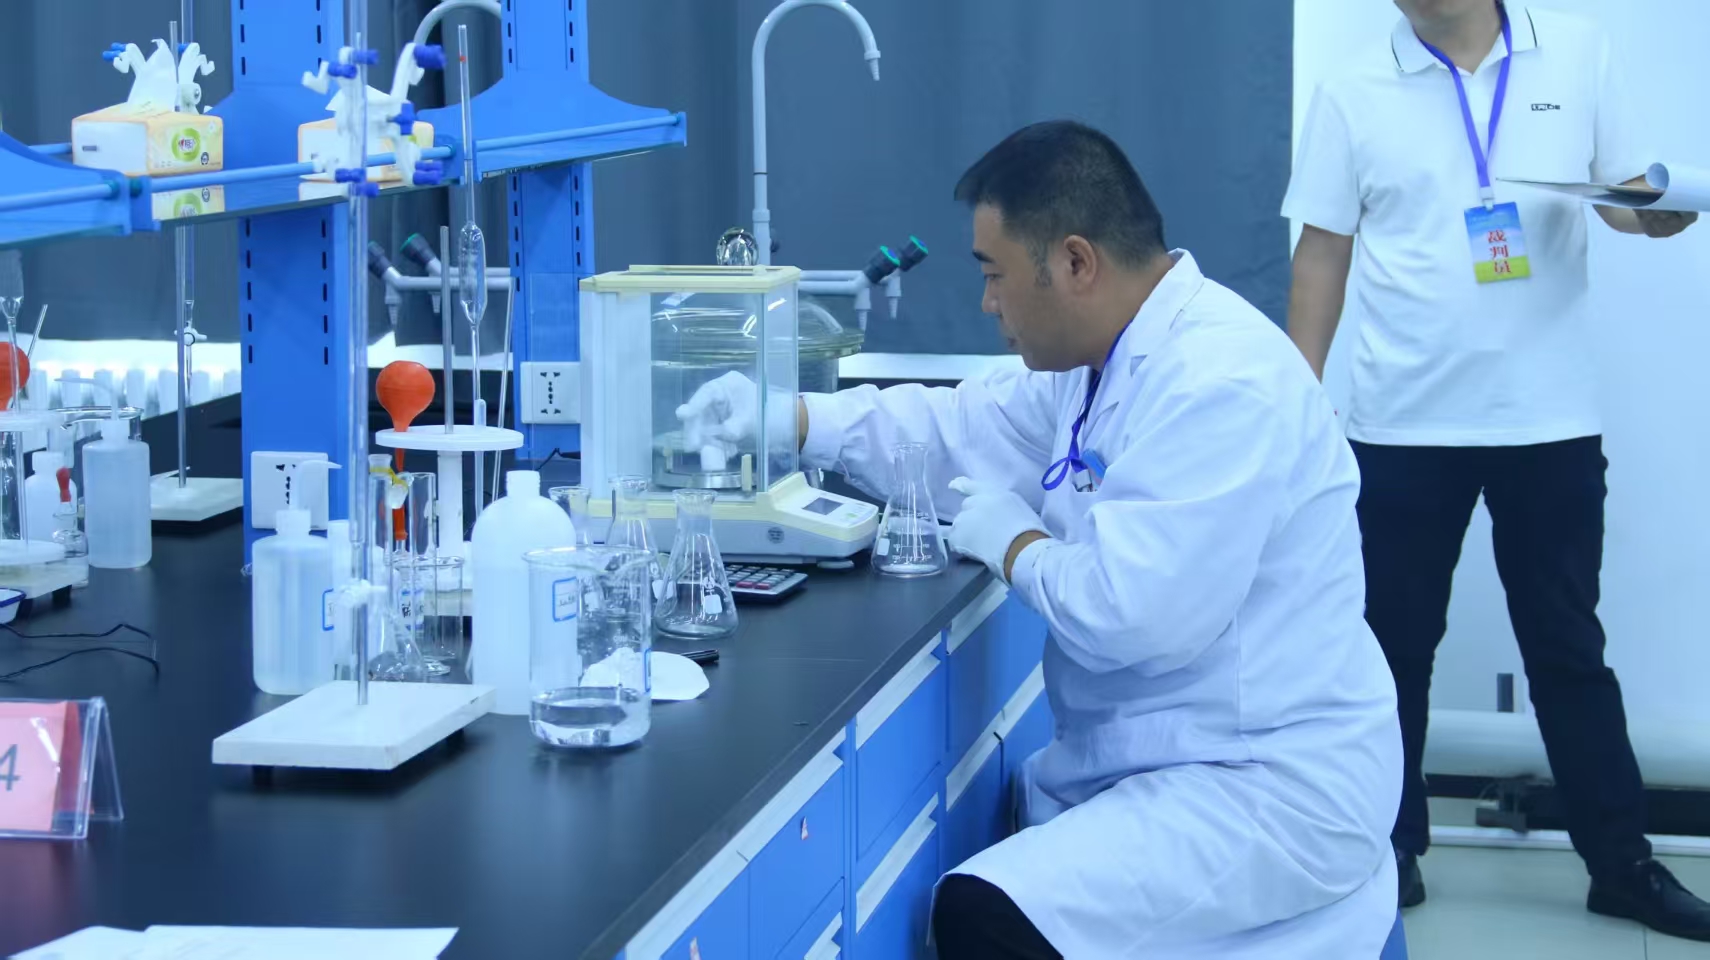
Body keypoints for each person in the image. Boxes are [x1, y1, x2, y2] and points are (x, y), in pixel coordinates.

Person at [678, 121, 1403, 958]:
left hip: (1263, 783)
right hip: (1171, 756)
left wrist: (1018, 546)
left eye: (995, 274)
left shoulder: (1221, 382)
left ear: (1075, 262)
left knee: (983, 912)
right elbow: (953, 428)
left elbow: (1137, 617)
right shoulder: (1102, 362)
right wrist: (792, 419)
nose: (989, 303)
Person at [1283, 0, 1710, 939]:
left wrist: (1661, 215)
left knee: (1568, 650)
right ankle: (1388, 851)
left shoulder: (1577, 53)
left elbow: (1625, 197)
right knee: (1390, 652)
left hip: (1548, 421)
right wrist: (1297, 405)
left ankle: (1622, 866)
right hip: (1401, 424)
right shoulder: (1354, 89)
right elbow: (1323, 251)